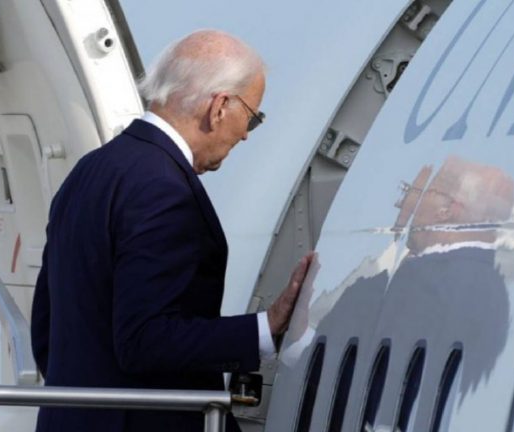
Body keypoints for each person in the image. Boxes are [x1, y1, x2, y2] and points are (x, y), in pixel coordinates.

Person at [30, 29, 314, 432]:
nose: (246, 133)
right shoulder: (163, 189)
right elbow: (145, 341)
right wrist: (263, 329)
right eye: (252, 116)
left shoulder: (89, 171)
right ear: (219, 106)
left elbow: (46, 329)